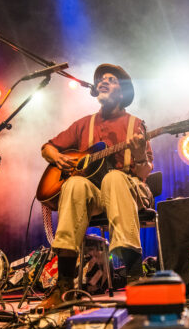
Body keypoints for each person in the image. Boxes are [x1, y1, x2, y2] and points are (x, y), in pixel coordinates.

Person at [39, 63, 154, 309]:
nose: (103, 81)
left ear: (122, 91)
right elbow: (47, 147)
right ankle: (64, 286)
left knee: (114, 178)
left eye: (111, 79)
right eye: (101, 79)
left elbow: (145, 173)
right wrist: (57, 158)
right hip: (95, 196)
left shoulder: (136, 124)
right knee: (75, 183)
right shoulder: (84, 124)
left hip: (129, 189)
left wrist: (139, 154)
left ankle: (135, 277)